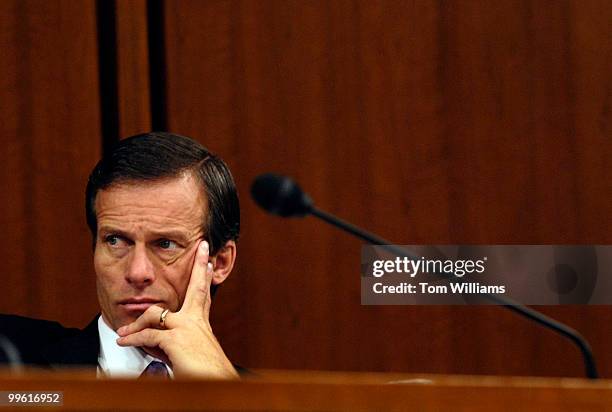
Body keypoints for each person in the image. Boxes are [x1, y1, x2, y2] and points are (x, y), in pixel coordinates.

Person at [0, 132, 241, 379]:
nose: (137, 273)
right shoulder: (11, 360)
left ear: (220, 262)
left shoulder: (259, 399)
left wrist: (223, 394)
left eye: (165, 244)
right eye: (115, 240)